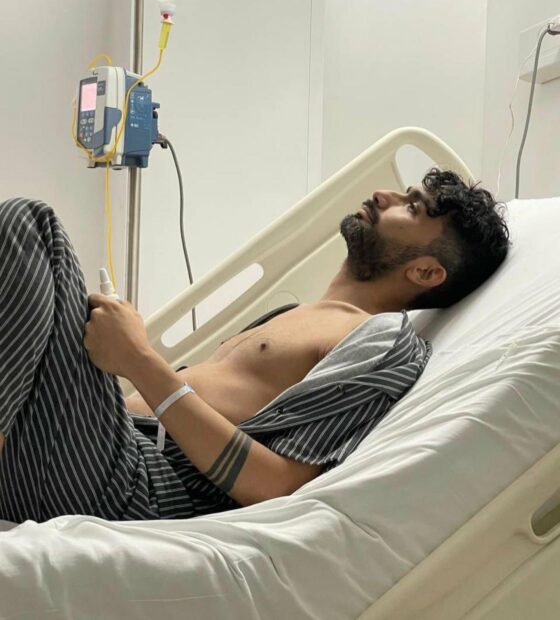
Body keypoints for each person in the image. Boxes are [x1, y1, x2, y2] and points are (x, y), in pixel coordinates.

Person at [0, 168, 510, 523]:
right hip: (98, 443)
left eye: (410, 207)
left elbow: (279, 485)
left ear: (425, 270)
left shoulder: (381, 340)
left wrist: (138, 359)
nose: (383, 195)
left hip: (137, 485)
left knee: (31, 226)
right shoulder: (297, 315)